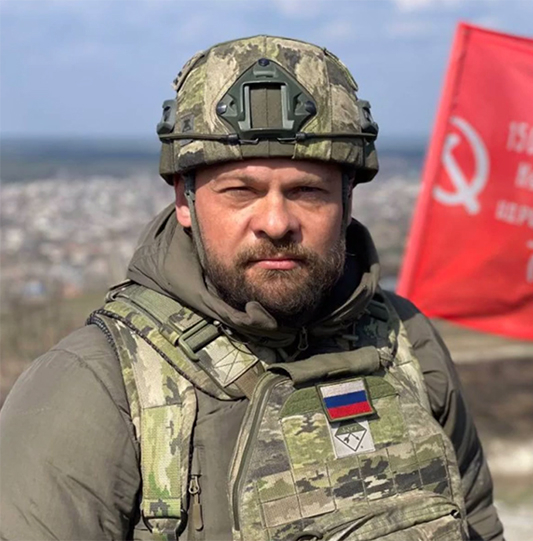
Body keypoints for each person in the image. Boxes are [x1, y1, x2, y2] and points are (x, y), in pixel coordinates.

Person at [0, 35, 504, 541]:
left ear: (347, 200)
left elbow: (476, 519)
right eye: (241, 191)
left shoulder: (405, 342)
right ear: (184, 200)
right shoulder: (95, 386)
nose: (276, 222)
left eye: (307, 190)